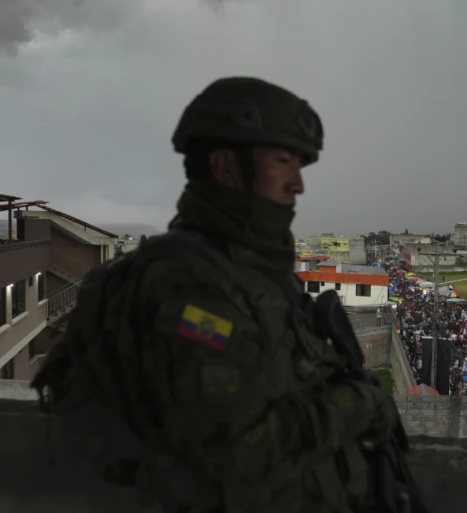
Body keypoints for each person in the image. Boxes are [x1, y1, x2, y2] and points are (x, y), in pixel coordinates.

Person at [31, 77, 406, 513]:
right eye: (284, 161)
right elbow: (237, 450)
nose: (297, 184)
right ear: (227, 167)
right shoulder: (188, 283)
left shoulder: (250, 273)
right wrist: (361, 405)